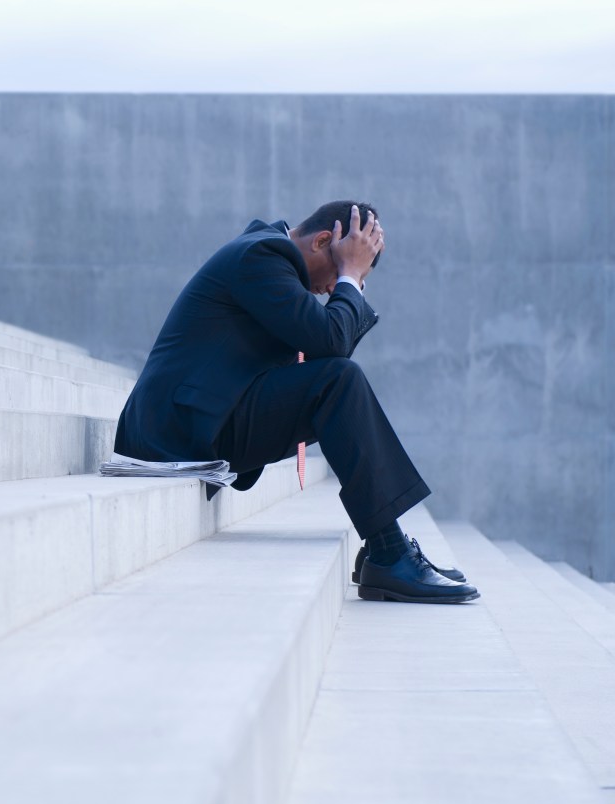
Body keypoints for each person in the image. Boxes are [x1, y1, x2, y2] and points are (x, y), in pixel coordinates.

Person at [113, 201, 478, 604]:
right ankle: (389, 552)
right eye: (337, 272)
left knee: (337, 380)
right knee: (339, 382)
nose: (330, 290)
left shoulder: (270, 259)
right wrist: (350, 278)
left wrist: (350, 278)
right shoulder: (262, 256)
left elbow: (329, 346)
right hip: (175, 429)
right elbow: (331, 344)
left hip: (204, 418)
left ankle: (385, 547)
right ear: (322, 241)